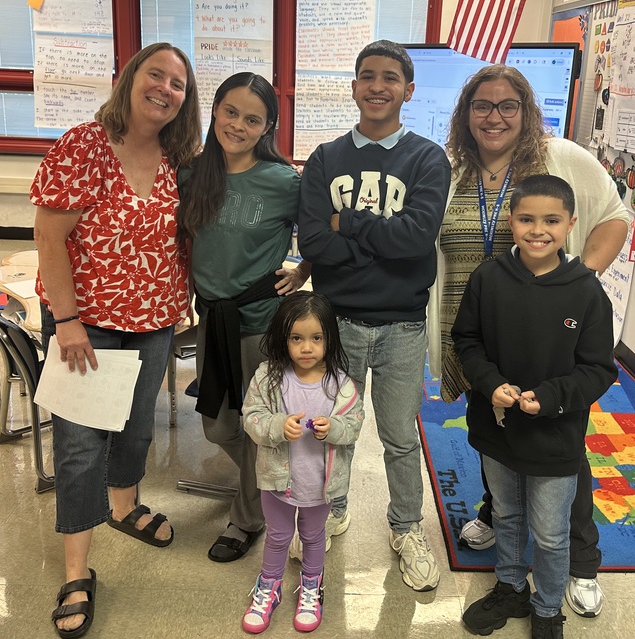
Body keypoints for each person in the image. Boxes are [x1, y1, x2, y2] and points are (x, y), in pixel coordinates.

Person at [428, 64, 629, 618]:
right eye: (482, 106)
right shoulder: (451, 169)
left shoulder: (558, 158)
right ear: (466, 113)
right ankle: (498, 516)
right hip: (476, 325)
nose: (494, 117)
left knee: (560, 444)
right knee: (495, 427)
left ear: (526, 111)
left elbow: (614, 215)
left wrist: (578, 281)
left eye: (507, 105)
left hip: (551, 331)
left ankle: (580, 561)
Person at [31, 42, 202, 638]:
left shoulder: (181, 156)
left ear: (186, 99)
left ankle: (125, 506)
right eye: (156, 75)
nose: (165, 89)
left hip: (155, 319)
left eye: (178, 83)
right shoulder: (84, 144)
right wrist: (69, 320)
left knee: (135, 426)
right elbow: (50, 238)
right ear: (130, 78)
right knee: (80, 446)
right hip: (90, 324)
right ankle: (77, 571)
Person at [297, 39, 452, 591]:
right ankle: (332, 509)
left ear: (408, 91)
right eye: (368, 76)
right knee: (333, 430)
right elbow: (313, 236)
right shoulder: (324, 158)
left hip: (403, 325)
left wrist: (350, 226)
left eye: (391, 77)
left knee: (400, 436)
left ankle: (406, 527)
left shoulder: (428, 158)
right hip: (336, 321)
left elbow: (416, 241)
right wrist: (373, 239)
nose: (378, 86)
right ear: (355, 87)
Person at [452, 174, 617, 639]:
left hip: (555, 437)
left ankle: (547, 608)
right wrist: (490, 383)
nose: (537, 230)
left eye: (551, 220)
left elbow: (599, 369)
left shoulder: (585, 290)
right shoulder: (488, 277)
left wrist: (550, 398)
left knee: (549, 532)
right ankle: (510, 587)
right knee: (505, 514)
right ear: (511, 221)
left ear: (570, 224)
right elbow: (466, 340)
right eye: (526, 219)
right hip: (496, 427)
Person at [177, 71, 311, 564]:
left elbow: (319, 232)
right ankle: (273, 476)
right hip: (211, 319)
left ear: (267, 126)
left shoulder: (282, 181)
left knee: (257, 426)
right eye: (230, 112)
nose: (238, 124)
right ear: (213, 111)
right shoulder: (192, 173)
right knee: (218, 427)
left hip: (262, 322)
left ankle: (247, 517)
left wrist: (303, 270)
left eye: (252, 118)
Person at [240, 291, 364, 634]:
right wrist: (278, 426)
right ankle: (270, 586)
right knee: (278, 536)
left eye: (316, 338)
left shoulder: (341, 384)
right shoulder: (268, 377)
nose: (306, 347)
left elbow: (354, 424)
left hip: (320, 484)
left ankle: (311, 587)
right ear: (284, 338)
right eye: (297, 338)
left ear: (329, 339)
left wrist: (333, 428)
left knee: (313, 536)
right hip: (277, 481)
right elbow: (251, 418)